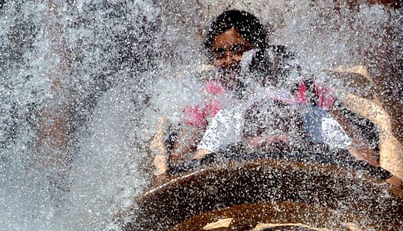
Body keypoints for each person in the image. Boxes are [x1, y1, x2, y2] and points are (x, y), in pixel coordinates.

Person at [150, 9, 381, 181]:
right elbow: (182, 159)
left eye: (238, 50)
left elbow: (361, 152)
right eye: (220, 54)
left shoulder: (304, 90)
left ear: (257, 50)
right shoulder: (213, 100)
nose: (229, 60)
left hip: (307, 173)